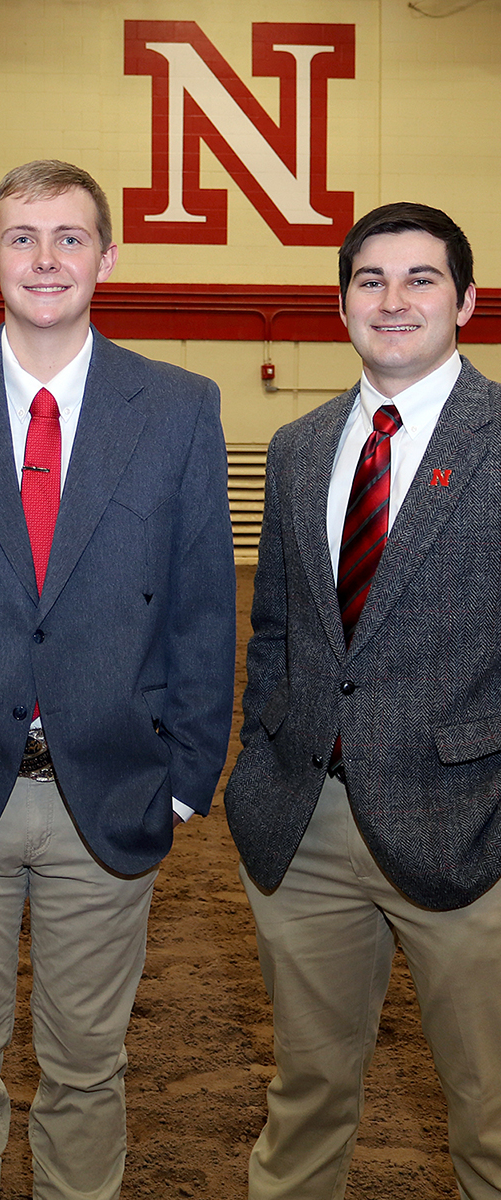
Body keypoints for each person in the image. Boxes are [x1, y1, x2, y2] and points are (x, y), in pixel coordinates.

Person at [0, 160, 236, 1200]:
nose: (46, 259)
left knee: (87, 1069)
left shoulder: (177, 408)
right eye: (23, 238)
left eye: (70, 237)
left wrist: (183, 774)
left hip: (110, 791)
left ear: (108, 258)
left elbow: (206, 603)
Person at [225, 202, 501, 1199]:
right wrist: (263, 761)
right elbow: (281, 632)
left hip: (471, 827)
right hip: (305, 829)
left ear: (466, 301)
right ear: (340, 303)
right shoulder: (299, 447)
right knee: (305, 1101)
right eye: (370, 279)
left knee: (490, 1116)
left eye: (421, 278)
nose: (393, 300)